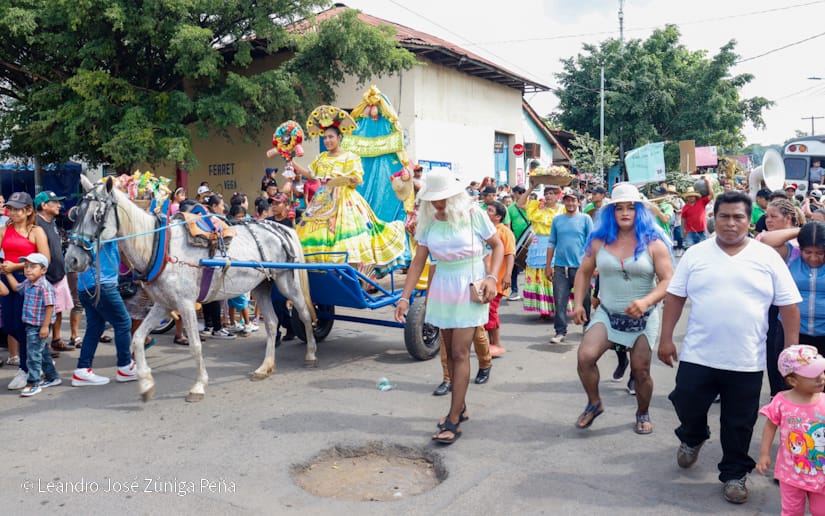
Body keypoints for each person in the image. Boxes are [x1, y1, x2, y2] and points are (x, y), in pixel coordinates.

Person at [659, 190, 802, 505]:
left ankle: (735, 474)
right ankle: (693, 436)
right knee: (685, 400)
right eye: (724, 216)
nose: (731, 223)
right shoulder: (696, 254)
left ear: (749, 221)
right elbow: (675, 297)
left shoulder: (767, 257)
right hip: (698, 354)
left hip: (746, 359)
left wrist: (790, 351)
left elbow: (789, 306)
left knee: (739, 422)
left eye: (738, 217)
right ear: (715, 218)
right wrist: (665, 337)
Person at [394, 167, 503, 445]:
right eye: (434, 198)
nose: (439, 202)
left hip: (470, 285)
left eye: (443, 197)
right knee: (449, 352)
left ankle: (453, 419)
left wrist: (492, 277)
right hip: (442, 286)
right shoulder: (428, 220)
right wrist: (404, 297)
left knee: (459, 352)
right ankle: (460, 407)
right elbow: (418, 261)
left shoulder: (474, 214)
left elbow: (498, 245)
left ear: (455, 195)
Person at [572, 183, 673, 434]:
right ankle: (594, 403)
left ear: (640, 211)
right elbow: (584, 272)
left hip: (644, 317)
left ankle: (642, 412)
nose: (625, 212)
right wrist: (578, 303)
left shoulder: (653, 242)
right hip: (607, 314)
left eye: (631, 207)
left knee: (640, 371)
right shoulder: (599, 241)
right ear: (611, 212)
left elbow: (669, 280)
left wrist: (646, 301)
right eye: (619, 208)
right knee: (585, 357)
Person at [291, 105, 405, 273]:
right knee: (312, 236)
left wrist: (348, 179)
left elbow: (356, 180)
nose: (327, 141)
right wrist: (293, 163)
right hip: (321, 201)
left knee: (347, 242)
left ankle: (349, 276)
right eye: (325, 137)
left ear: (339, 137)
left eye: (331, 137)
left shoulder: (350, 157)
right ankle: (322, 275)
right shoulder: (321, 158)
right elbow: (311, 175)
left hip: (345, 201)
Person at [756, 345, 825, 515]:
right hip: (791, 473)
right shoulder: (781, 401)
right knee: (792, 511)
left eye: (822, 372)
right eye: (814, 375)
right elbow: (770, 427)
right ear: (792, 381)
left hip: (821, 473)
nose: (821, 378)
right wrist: (764, 454)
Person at [2, 191, 51, 390]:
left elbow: (45, 259)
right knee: (9, 325)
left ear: (29, 210)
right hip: (7, 280)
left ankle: (26, 369)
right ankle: (39, 359)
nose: (13, 212)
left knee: (23, 326)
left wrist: (16, 266)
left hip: (29, 281)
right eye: (10, 209)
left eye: (17, 209)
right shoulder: (4, 230)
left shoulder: (36, 231)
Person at [72, 240, 138, 386]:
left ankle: (82, 370)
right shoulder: (105, 231)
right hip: (102, 285)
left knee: (94, 328)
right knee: (123, 323)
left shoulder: (85, 233)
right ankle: (125, 367)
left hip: (85, 286)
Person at [761, 221, 825, 356]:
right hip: (793, 333)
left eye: (820, 253)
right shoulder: (791, 255)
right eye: (808, 252)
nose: (814, 258)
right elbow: (766, 240)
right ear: (800, 248)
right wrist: (804, 230)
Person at [7, 253, 58, 396]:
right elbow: (17, 288)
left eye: (33, 267)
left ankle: (33, 383)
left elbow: (50, 306)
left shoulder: (44, 286)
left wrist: (45, 327)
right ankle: (52, 377)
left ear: (43, 270)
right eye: (26, 267)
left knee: (33, 355)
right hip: (30, 324)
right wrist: (8, 274)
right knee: (42, 352)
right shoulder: (28, 283)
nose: (28, 270)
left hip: (39, 325)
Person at [546, 187, 593, 344]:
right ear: (563, 202)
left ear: (578, 202)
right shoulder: (557, 220)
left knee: (585, 298)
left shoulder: (585, 219)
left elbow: (592, 243)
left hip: (581, 268)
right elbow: (551, 243)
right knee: (559, 300)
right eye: (567, 200)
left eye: (573, 200)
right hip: (560, 268)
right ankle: (560, 331)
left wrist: (594, 265)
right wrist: (548, 265)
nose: (570, 203)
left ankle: (587, 325)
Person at [34, 191, 74, 354]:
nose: (59, 205)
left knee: (58, 309)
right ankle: (43, 347)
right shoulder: (36, 224)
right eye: (55, 202)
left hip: (59, 274)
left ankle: (56, 339)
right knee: (46, 312)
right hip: (46, 276)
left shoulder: (52, 222)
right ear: (44, 205)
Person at [520, 184, 565, 318]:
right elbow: (520, 203)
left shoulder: (562, 209)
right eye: (546, 193)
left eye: (552, 193)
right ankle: (543, 309)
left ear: (557, 196)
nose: (548, 196)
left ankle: (559, 306)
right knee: (539, 275)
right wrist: (531, 188)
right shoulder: (536, 206)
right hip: (538, 245)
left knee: (556, 275)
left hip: (557, 244)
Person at [484, 201, 515, 357]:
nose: (486, 212)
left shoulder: (504, 232)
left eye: (490, 210)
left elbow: (510, 254)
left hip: (498, 279)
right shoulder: (483, 229)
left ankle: (496, 344)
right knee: (486, 310)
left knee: (491, 309)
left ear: (498, 217)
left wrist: (508, 274)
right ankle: (490, 343)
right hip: (482, 279)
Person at [506, 185, 529, 302]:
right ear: (514, 194)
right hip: (517, 241)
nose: (521, 194)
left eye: (523, 192)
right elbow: (508, 226)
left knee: (532, 268)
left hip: (532, 240)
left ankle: (531, 291)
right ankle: (514, 290)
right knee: (514, 266)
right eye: (519, 192)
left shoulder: (532, 205)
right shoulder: (510, 209)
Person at [680, 176, 715, 248]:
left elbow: (712, 195)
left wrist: (708, 184)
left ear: (695, 196)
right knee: (690, 249)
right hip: (690, 232)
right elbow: (683, 219)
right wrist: (683, 230)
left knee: (702, 249)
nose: (691, 197)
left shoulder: (702, 202)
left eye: (693, 196)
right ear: (687, 198)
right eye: (689, 196)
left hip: (702, 231)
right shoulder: (685, 207)